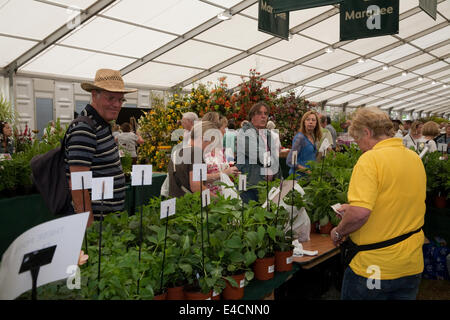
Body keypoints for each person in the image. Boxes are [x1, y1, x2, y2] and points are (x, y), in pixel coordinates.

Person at [330, 107, 426, 300]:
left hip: (374, 267)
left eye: (357, 140)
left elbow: (360, 213)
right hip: (410, 264)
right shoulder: (413, 158)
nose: (359, 146)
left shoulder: (370, 159)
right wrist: (355, 209)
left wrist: (339, 231)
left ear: (367, 132)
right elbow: (397, 200)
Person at [64, 68, 137, 226]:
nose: (117, 105)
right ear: (93, 95)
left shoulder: (101, 124)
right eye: (110, 98)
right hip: (97, 227)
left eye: (120, 100)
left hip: (107, 223)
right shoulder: (85, 129)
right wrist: (89, 229)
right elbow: (78, 185)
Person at [168, 121, 238, 197]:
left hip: (178, 202)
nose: (210, 149)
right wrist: (219, 200)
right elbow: (197, 187)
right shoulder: (196, 154)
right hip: (191, 204)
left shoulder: (178, 152)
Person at [236, 102, 280, 203]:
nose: (263, 116)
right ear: (252, 115)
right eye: (259, 113)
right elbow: (258, 154)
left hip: (267, 185)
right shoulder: (244, 133)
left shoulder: (268, 134)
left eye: (266, 113)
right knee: (250, 214)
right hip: (250, 184)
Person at [286, 111, 322, 177]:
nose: (310, 122)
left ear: (316, 123)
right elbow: (290, 160)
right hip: (298, 178)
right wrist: (307, 171)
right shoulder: (300, 138)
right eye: (308, 119)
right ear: (304, 122)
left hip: (308, 178)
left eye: (313, 120)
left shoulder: (312, 137)